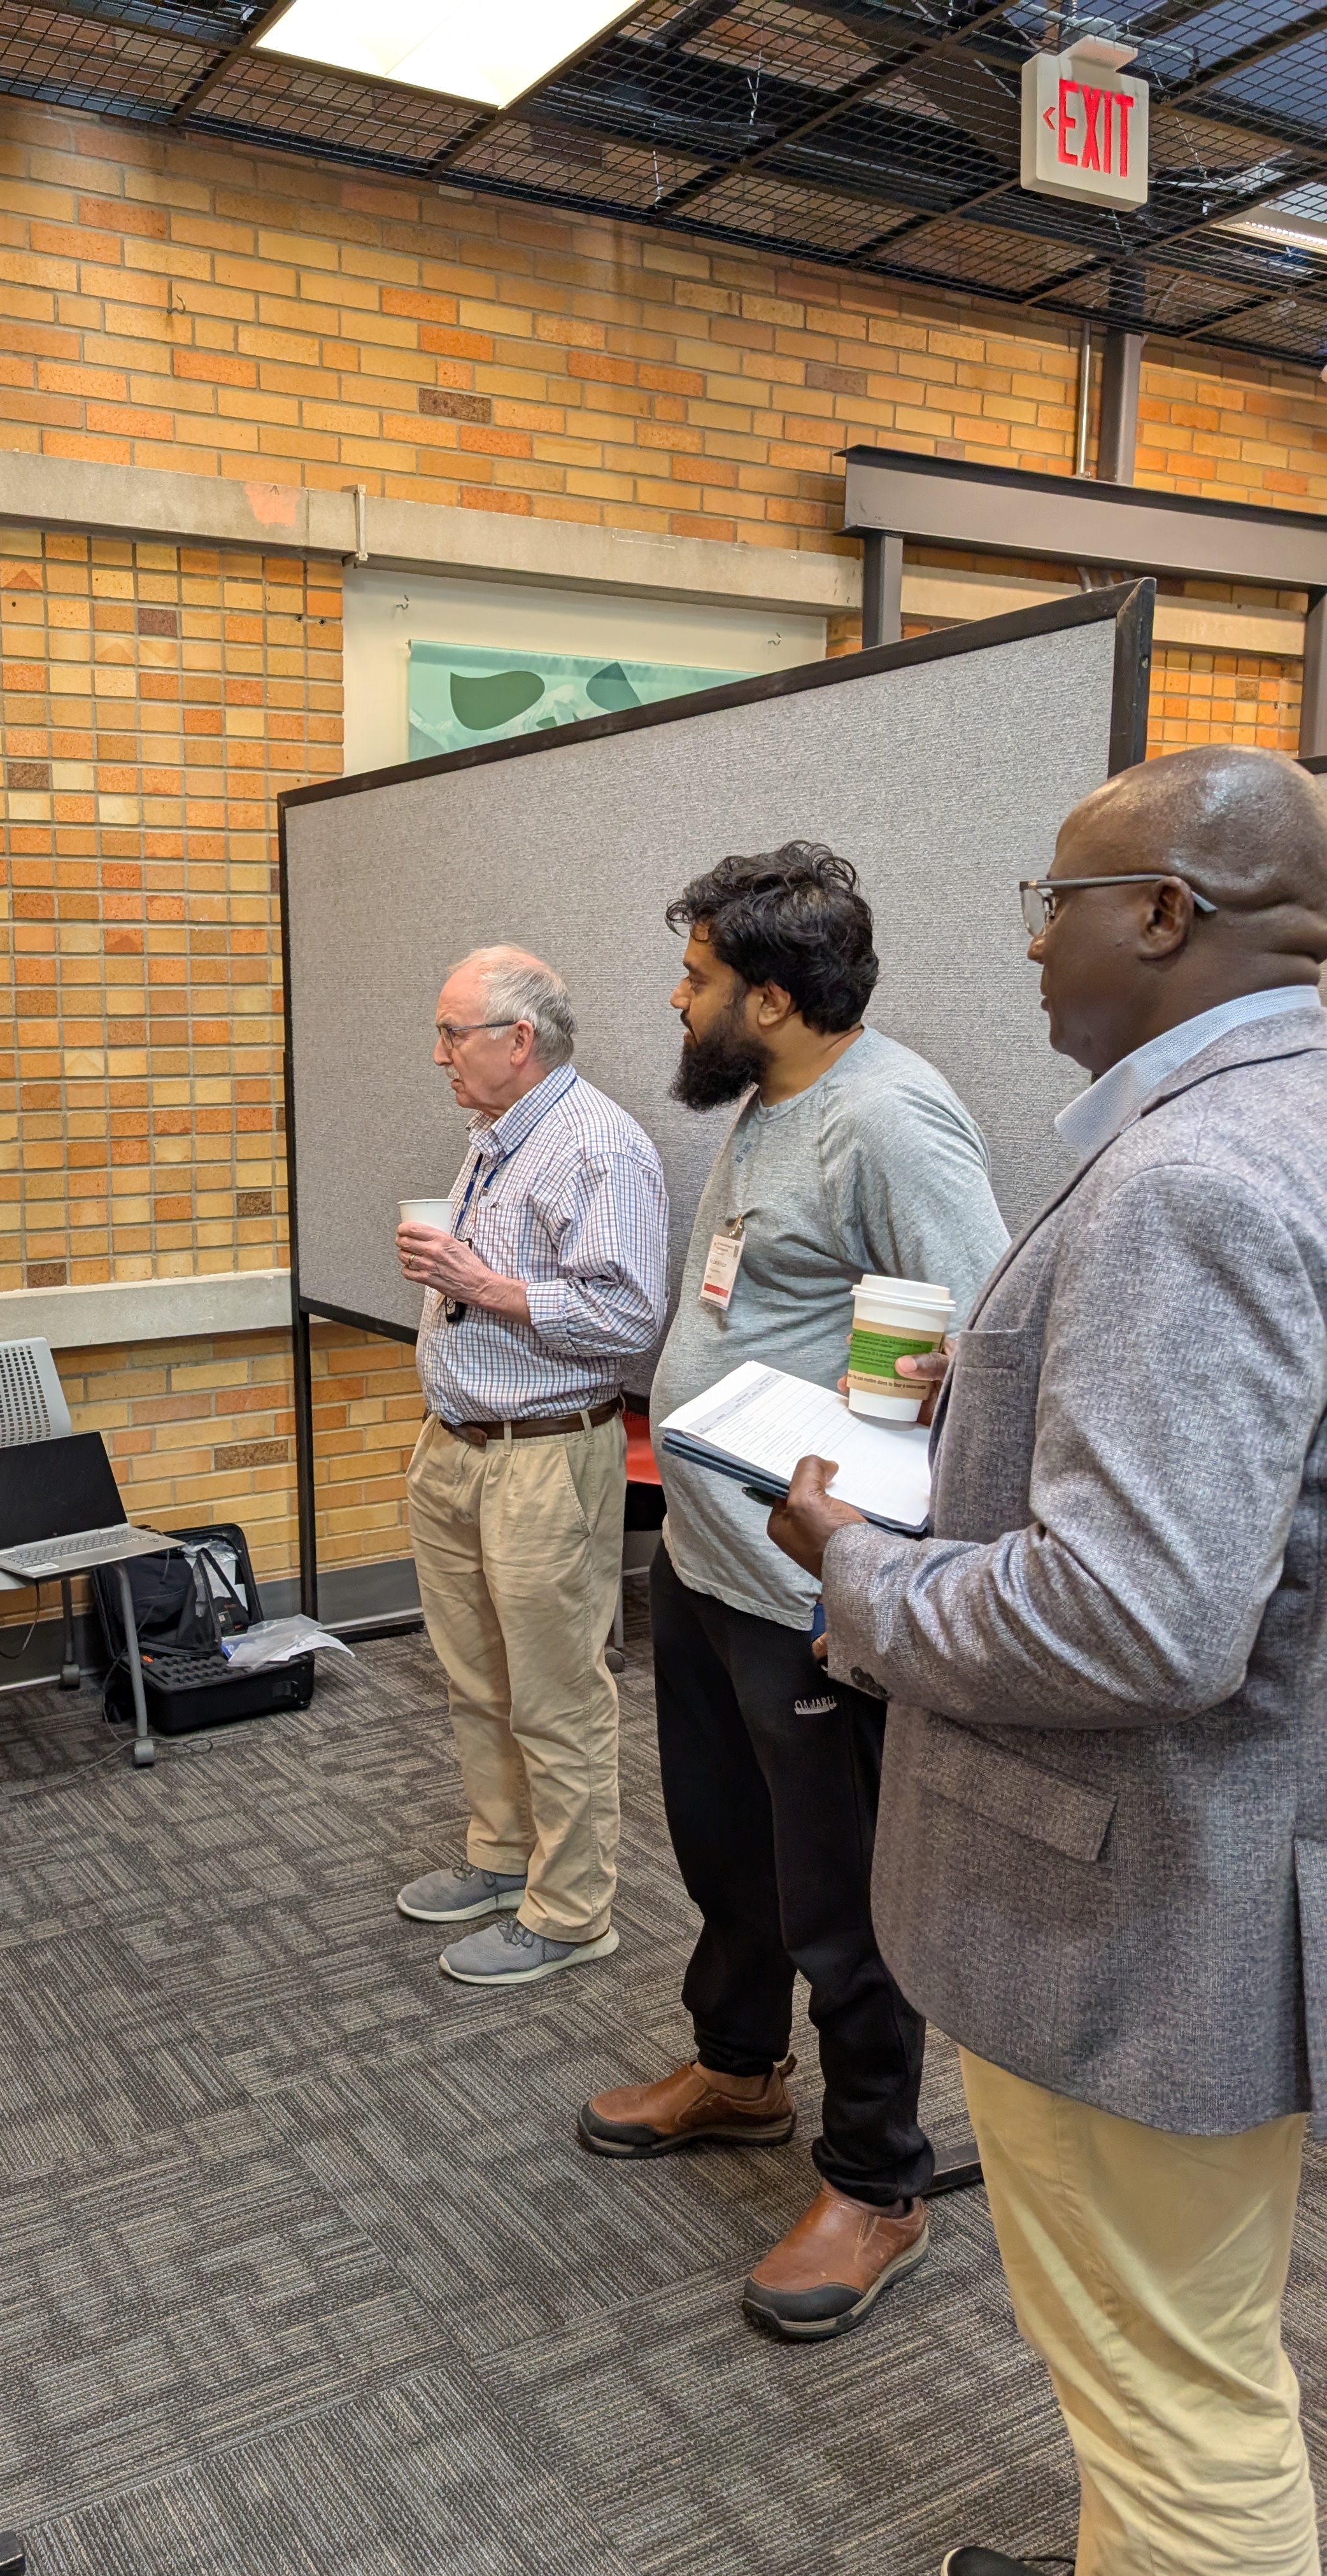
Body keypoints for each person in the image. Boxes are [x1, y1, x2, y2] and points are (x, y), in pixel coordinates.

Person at [769, 746, 1327, 2576]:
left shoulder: (1194, 1182)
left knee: (1177, 2404)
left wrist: (860, 1564)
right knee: (1183, 2335)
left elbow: (1137, 1620)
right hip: (1241, 1857)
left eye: (1054, 907)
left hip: (1143, 1898)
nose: (1032, 955)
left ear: (1166, 913)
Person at [579, 842, 1009, 2342]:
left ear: (769, 996)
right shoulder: (769, 1103)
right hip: (705, 1563)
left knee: (843, 1898)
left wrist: (881, 1576)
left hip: (808, 1590)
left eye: (696, 977)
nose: (676, 997)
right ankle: (740, 2070)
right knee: (727, 1854)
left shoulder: (891, 1121)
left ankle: (878, 2180)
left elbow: (985, 1353)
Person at [396, 945, 668, 1987]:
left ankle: (572, 1908)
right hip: (457, 1450)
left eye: (452, 1034)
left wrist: (486, 1285)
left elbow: (631, 1320)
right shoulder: (493, 1138)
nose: (438, 1055)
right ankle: (504, 1859)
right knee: (475, 1680)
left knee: (556, 1693)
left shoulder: (600, 1147)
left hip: (548, 1457)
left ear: (519, 1041)